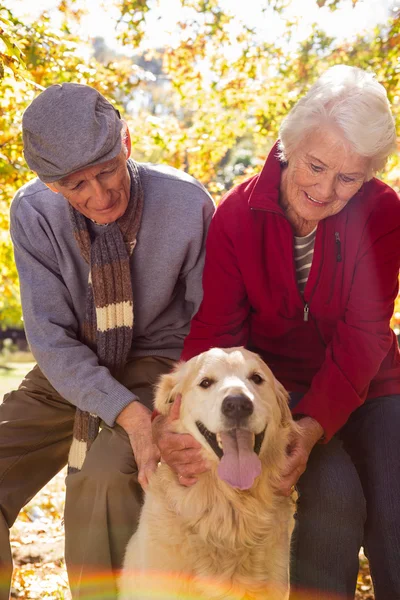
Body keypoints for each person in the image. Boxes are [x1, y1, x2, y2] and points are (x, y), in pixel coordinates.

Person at [153, 65, 400, 600]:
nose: (326, 189)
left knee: (396, 503)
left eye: (349, 178)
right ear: (290, 145)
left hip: (373, 386)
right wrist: (171, 425)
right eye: (315, 166)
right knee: (331, 497)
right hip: (278, 396)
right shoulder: (237, 216)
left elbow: (364, 334)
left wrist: (315, 428)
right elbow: (216, 332)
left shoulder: (382, 211)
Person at [0, 82, 215, 600]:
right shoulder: (32, 213)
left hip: (160, 362)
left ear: (127, 143)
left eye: (107, 171)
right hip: (70, 364)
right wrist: (126, 414)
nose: (99, 196)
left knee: (105, 476)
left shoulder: (188, 203)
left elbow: (212, 327)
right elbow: (49, 338)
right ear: (52, 187)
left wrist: (159, 415)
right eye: (76, 186)